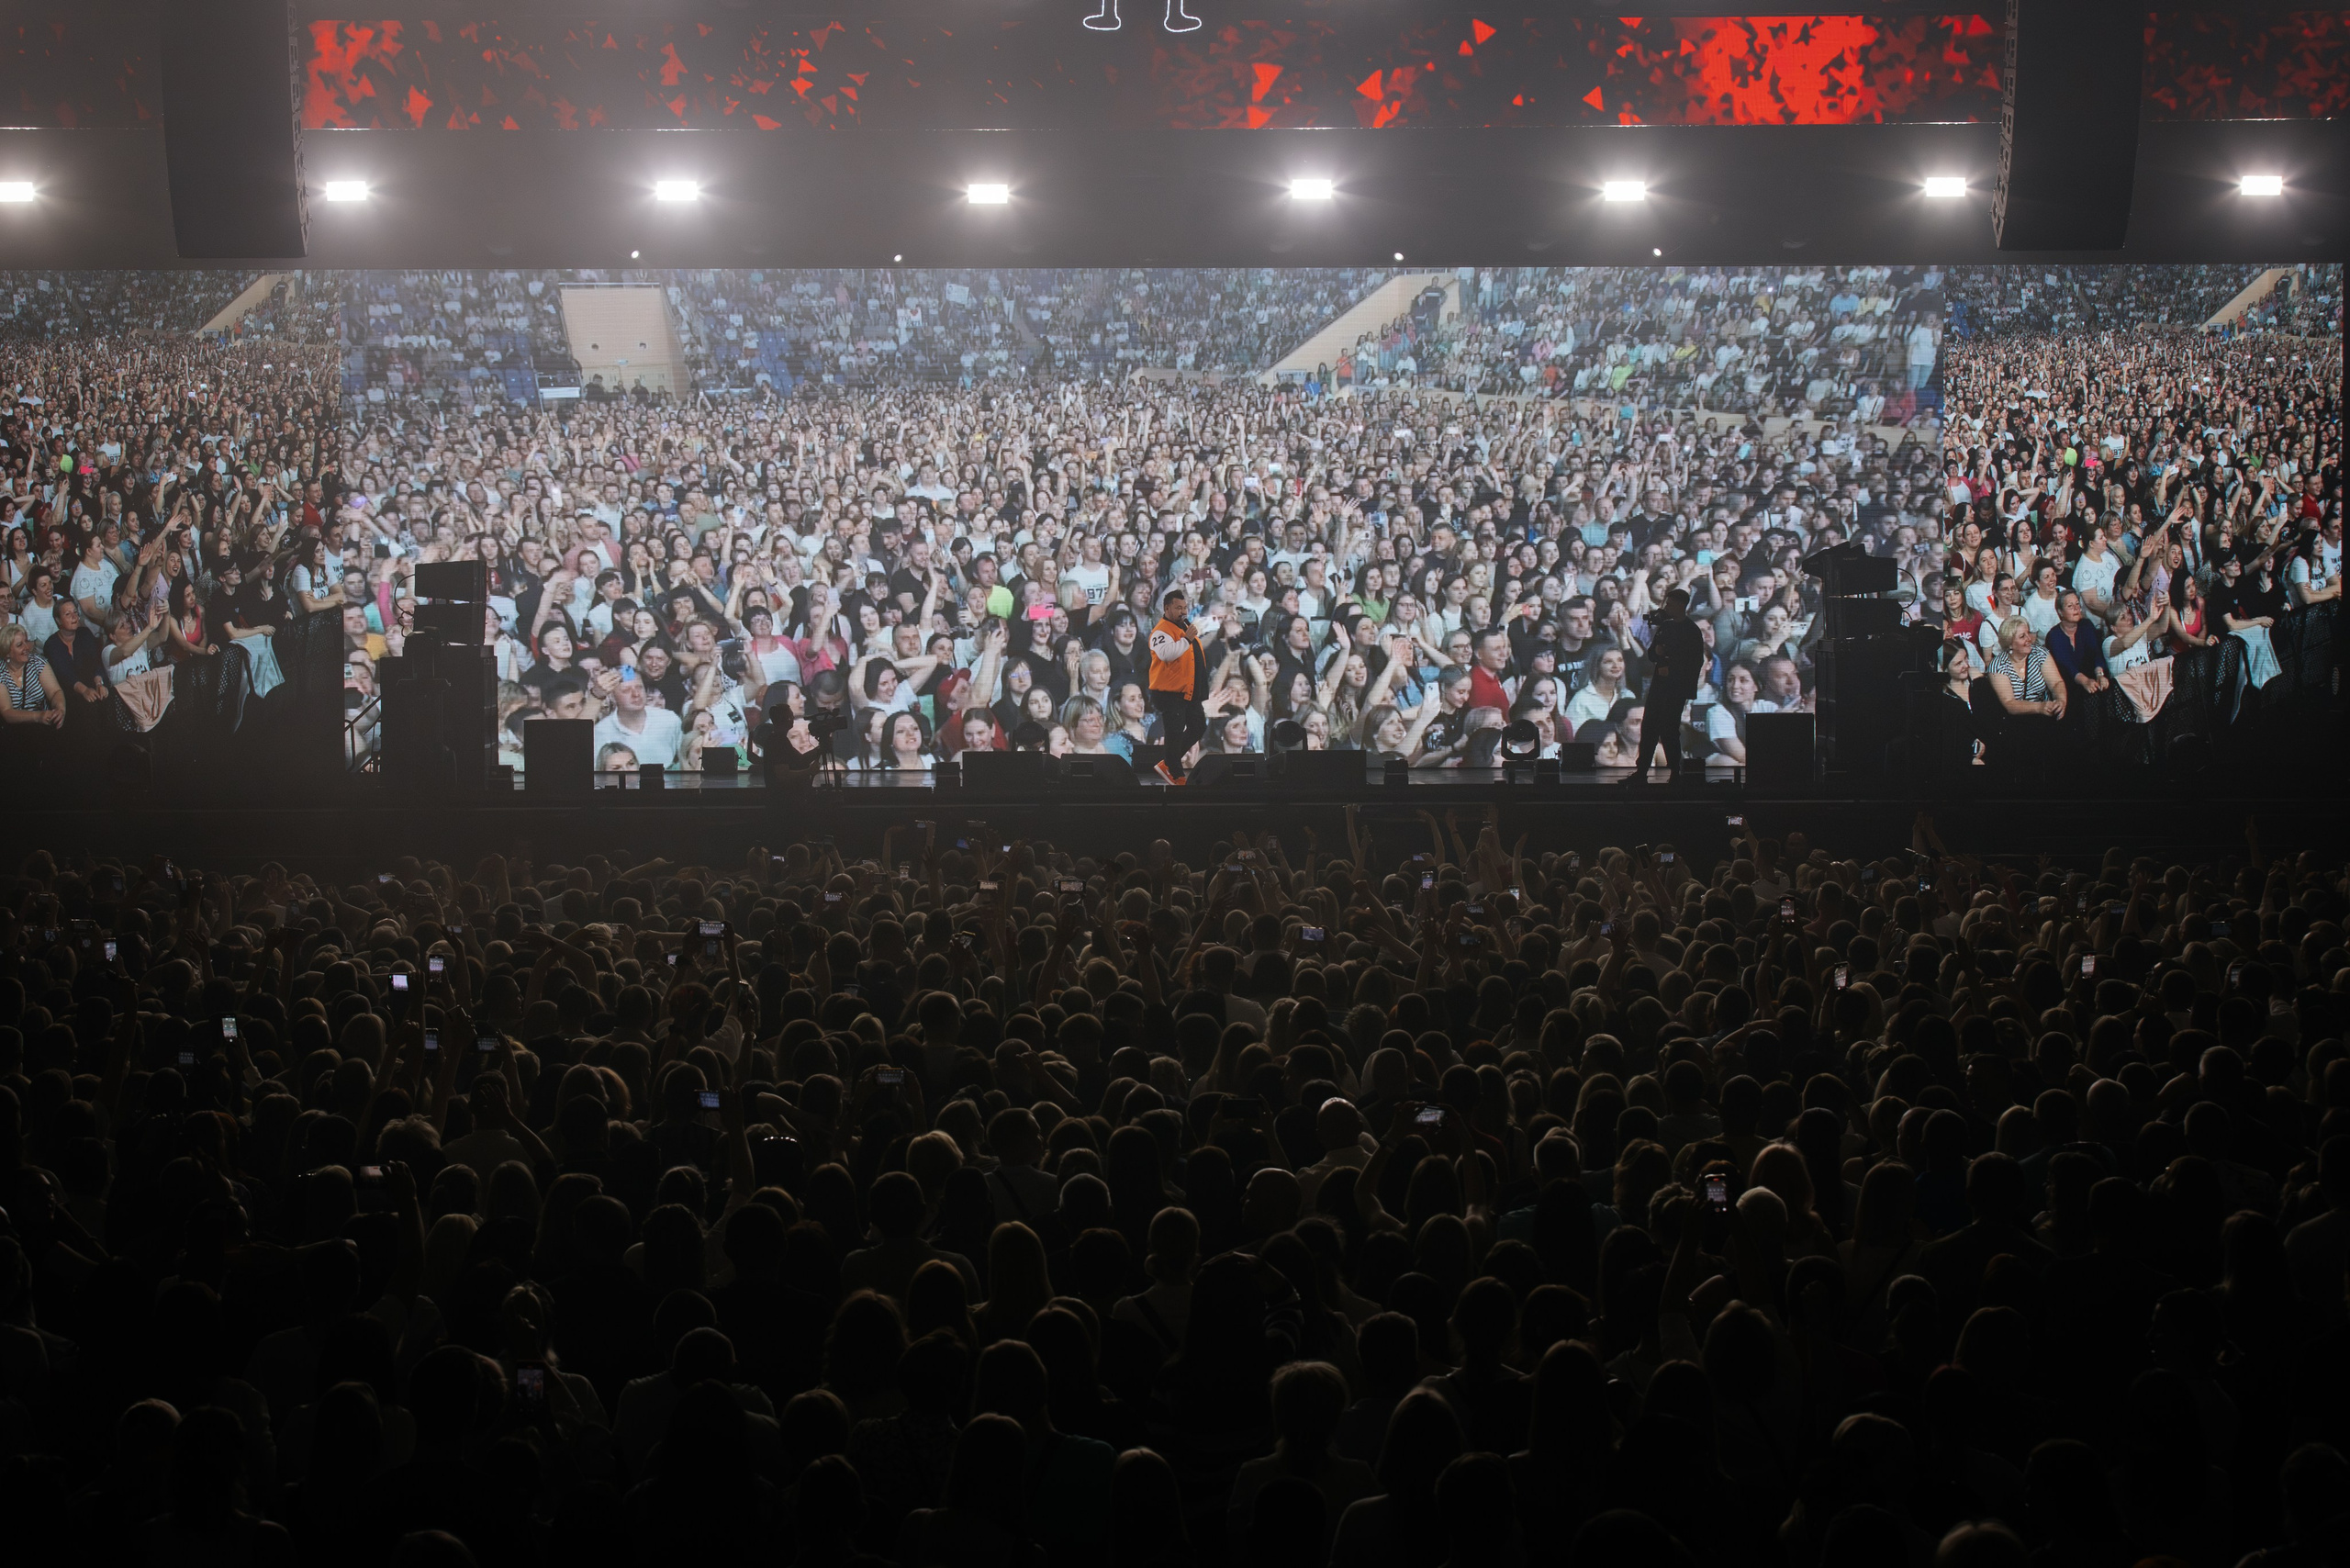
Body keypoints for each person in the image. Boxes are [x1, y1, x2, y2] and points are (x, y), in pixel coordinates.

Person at [1633, 588, 1704, 778]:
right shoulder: (1666, 627)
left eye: (1670, 604)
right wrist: (1658, 653)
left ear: (1681, 606)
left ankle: (1675, 771)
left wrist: (1671, 663)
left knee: (1669, 729)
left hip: (1676, 688)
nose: (1667, 607)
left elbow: (1695, 661)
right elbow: (1652, 654)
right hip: (1659, 686)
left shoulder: (1692, 631)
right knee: (1649, 727)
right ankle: (1641, 771)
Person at [1145, 586, 1205, 784]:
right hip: (1170, 692)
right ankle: (1175, 772)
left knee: (1198, 727)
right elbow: (1166, 654)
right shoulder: (1160, 631)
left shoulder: (1184, 627)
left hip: (1189, 690)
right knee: (1175, 731)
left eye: (1185, 607)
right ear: (1167, 608)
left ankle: (1169, 762)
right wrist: (1187, 639)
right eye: (1178, 608)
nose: (1183, 612)